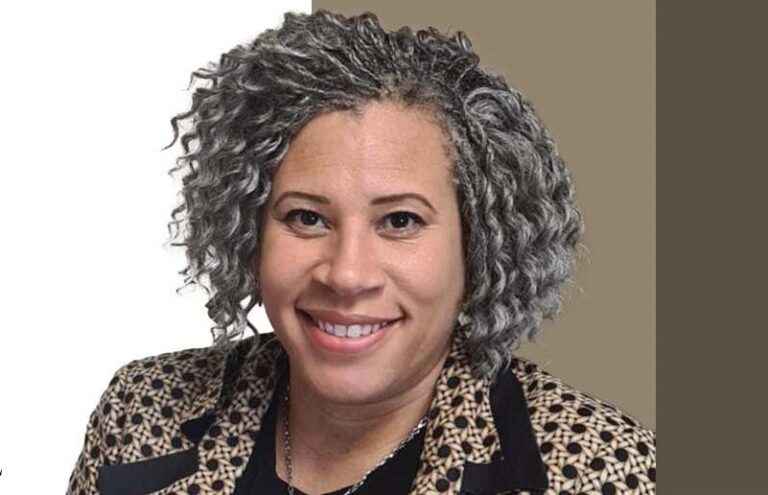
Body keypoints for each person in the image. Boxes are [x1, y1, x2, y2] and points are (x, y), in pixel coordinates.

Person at [66, 9, 655, 495]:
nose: (347, 274)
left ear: (478, 246)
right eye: (306, 217)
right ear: (248, 232)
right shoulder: (142, 412)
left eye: (400, 221)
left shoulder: (599, 467)